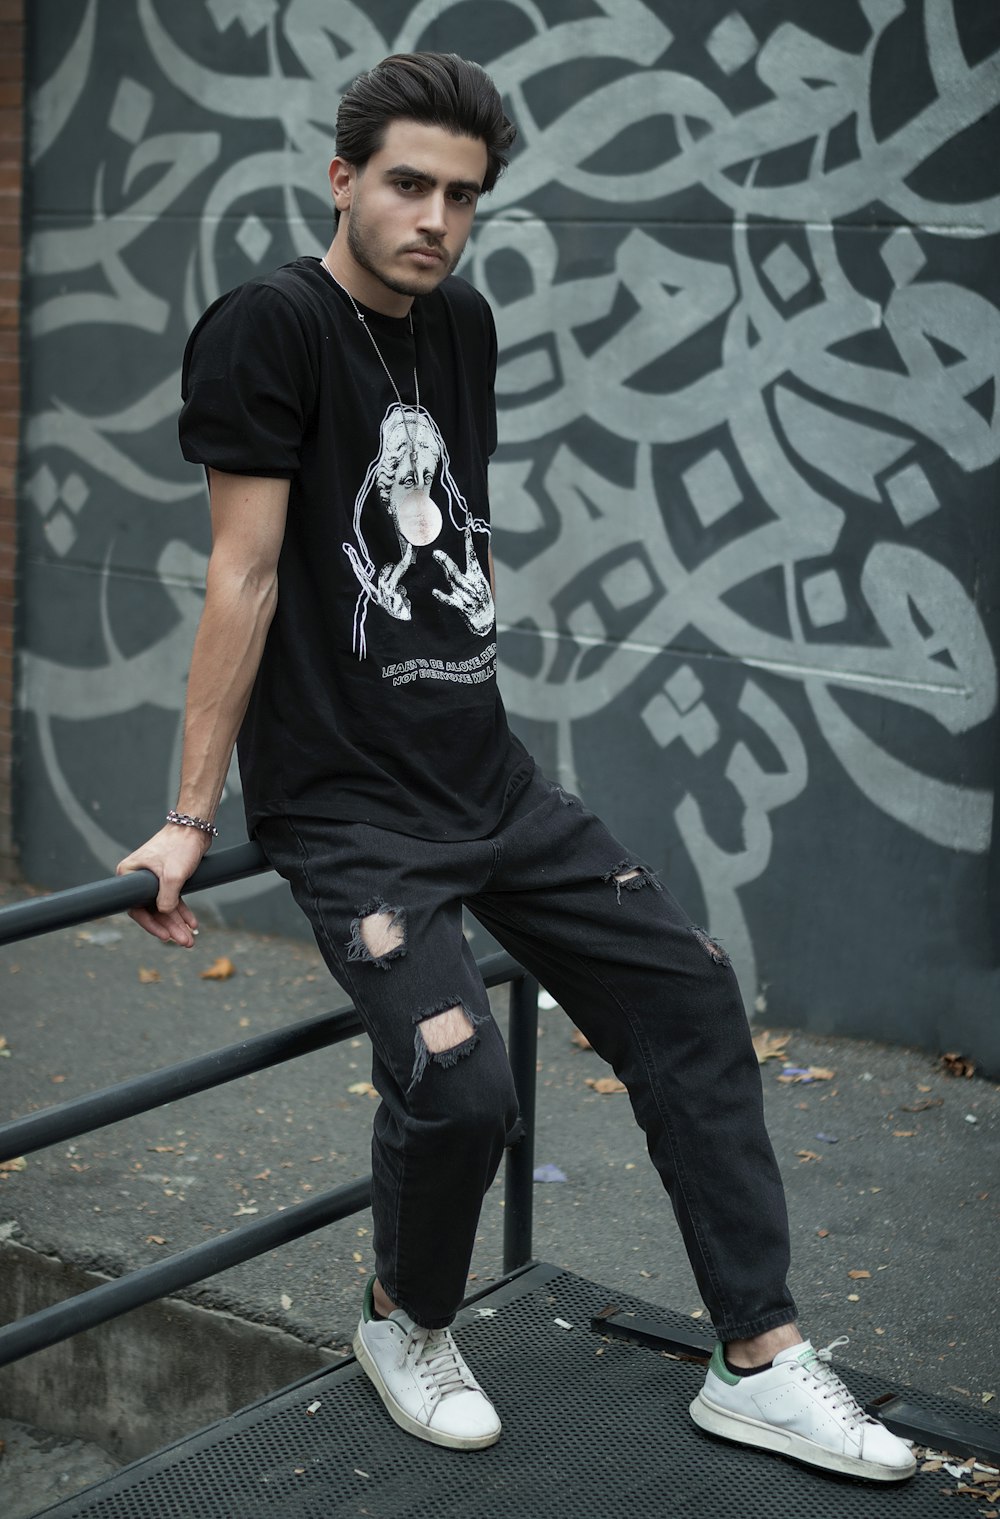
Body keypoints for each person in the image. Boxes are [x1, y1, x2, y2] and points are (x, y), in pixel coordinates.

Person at [118, 52, 915, 1481]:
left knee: (685, 993)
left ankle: (761, 1358)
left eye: (466, 198)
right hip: (351, 812)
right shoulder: (268, 330)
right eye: (410, 185)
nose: (436, 218)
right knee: (462, 1081)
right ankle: (403, 1318)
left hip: (487, 782)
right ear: (343, 178)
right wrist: (187, 818)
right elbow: (240, 578)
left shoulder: (459, 324)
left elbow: (457, 551)